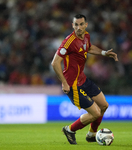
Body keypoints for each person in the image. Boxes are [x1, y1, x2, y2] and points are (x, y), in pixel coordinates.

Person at [51, 14, 118, 145]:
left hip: (83, 79)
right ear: (72, 25)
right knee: (96, 113)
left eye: (81, 24)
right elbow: (55, 63)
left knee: (104, 105)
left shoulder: (86, 36)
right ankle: (69, 129)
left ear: (86, 25)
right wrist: (64, 83)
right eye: (76, 24)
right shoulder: (68, 42)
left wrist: (104, 53)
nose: (79, 27)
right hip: (72, 85)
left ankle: (91, 135)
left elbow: (89, 47)